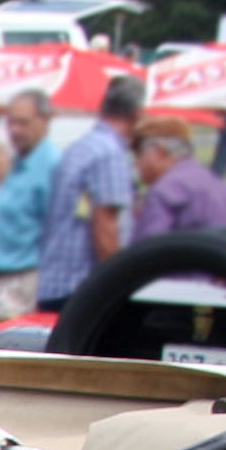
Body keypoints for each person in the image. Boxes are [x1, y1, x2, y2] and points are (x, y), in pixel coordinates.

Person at [36, 74, 137, 309]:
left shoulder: (84, 146)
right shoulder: (109, 152)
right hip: (81, 288)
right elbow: (106, 227)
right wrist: (117, 288)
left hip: (57, 282)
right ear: (136, 116)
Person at [0, 91, 59, 318]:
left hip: (24, 282)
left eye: (23, 123)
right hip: (3, 280)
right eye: (11, 122)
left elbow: (55, 230)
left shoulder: (50, 165)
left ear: (45, 120)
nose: (15, 130)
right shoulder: (22, 161)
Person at [131, 116, 226, 241]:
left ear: (159, 151)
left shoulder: (166, 191)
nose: (136, 163)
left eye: (139, 154)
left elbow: (148, 253)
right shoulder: (217, 185)